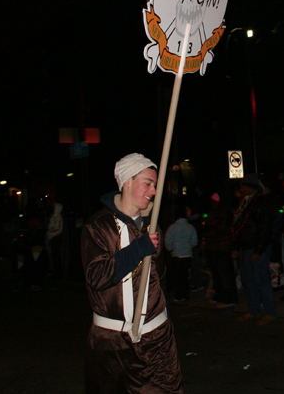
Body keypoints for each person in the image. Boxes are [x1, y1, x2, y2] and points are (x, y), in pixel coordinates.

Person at [81, 153, 183, 394]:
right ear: (127, 181)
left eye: (155, 185)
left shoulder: (152, 223)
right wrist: (137, 249)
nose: (154, 191)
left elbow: (160, 276)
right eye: (147, 183)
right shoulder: (98, 226)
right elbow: (96, 277)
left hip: (155, 340)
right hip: (110, 344)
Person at [232, 174, 278, 325]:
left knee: (261, 280)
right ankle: (254, 310)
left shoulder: (261, 202)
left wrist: (258, 250)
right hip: (246, 246)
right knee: (248, 280)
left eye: (242, 186)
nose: (240, 189)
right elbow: (238, 228)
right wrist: (237, 247)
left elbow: (264, 228)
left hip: (256, 247)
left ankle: (270, 312)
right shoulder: (244, 203)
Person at [165, 206, 198, 302]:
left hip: (176, 255)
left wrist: (171, 249)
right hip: (187, 255)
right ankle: (186, 295)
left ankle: (179, 295)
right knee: (185, 276)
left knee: (177, 277)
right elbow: (194, 242)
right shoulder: (190, 227)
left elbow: (168, 242)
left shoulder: (172, 227)